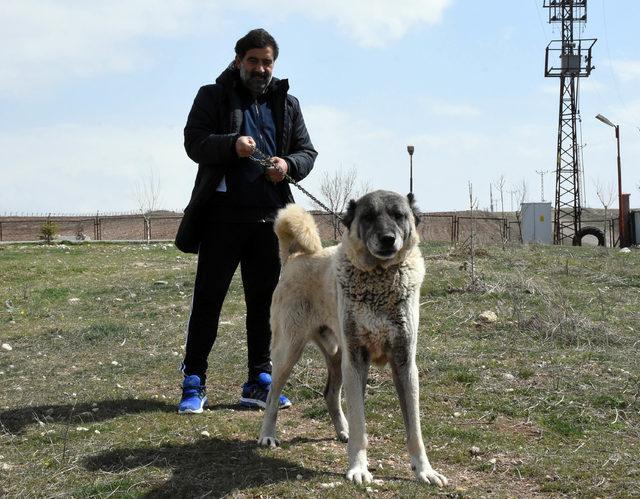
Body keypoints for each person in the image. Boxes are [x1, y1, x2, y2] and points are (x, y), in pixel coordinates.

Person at [176, 28, 317, 414]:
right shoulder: (212, 95)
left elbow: (307, 152)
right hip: (222, 217)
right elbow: (194, 141)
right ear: (239, 61)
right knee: (208, 300)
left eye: (267, 62)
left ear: (274, 65)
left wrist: (288, 165)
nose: (260, 68)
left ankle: (259, 379)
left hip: (269, 222)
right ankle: (194, 380)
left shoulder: (288, 104)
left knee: (265, 302)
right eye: (253, 60)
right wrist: (231, 145)